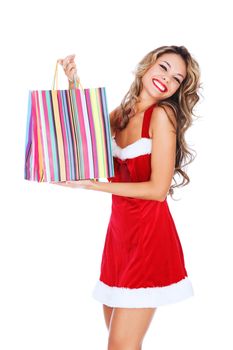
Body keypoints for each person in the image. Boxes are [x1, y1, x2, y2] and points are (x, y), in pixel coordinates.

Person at [55, 46, 201, 350]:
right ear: (148, 65)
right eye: (164, 67)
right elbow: (87, 137)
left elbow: (157, 190)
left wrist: (92, 187)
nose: (167, 79)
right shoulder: (123, 114)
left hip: (149, 238)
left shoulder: (162, 116)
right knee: (120, 343)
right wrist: (73, 81)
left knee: (120, 345)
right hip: (120, 239)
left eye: (176, 78)